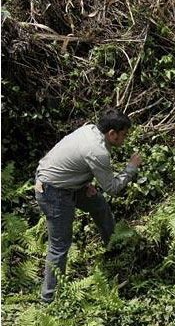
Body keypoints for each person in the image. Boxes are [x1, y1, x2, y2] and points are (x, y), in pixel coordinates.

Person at [34, 108, 142, 303]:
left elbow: (73, 160)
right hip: (53, 191)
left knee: (99, 205)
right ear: (112, 134)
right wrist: (131, 167)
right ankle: (48, 300)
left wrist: (84, 183)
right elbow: (112, 188)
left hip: (69, 184)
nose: (125, 139)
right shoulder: (98, 151)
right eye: (124, 135)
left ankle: (113, 247)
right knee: (59, 246)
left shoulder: (90, 130)